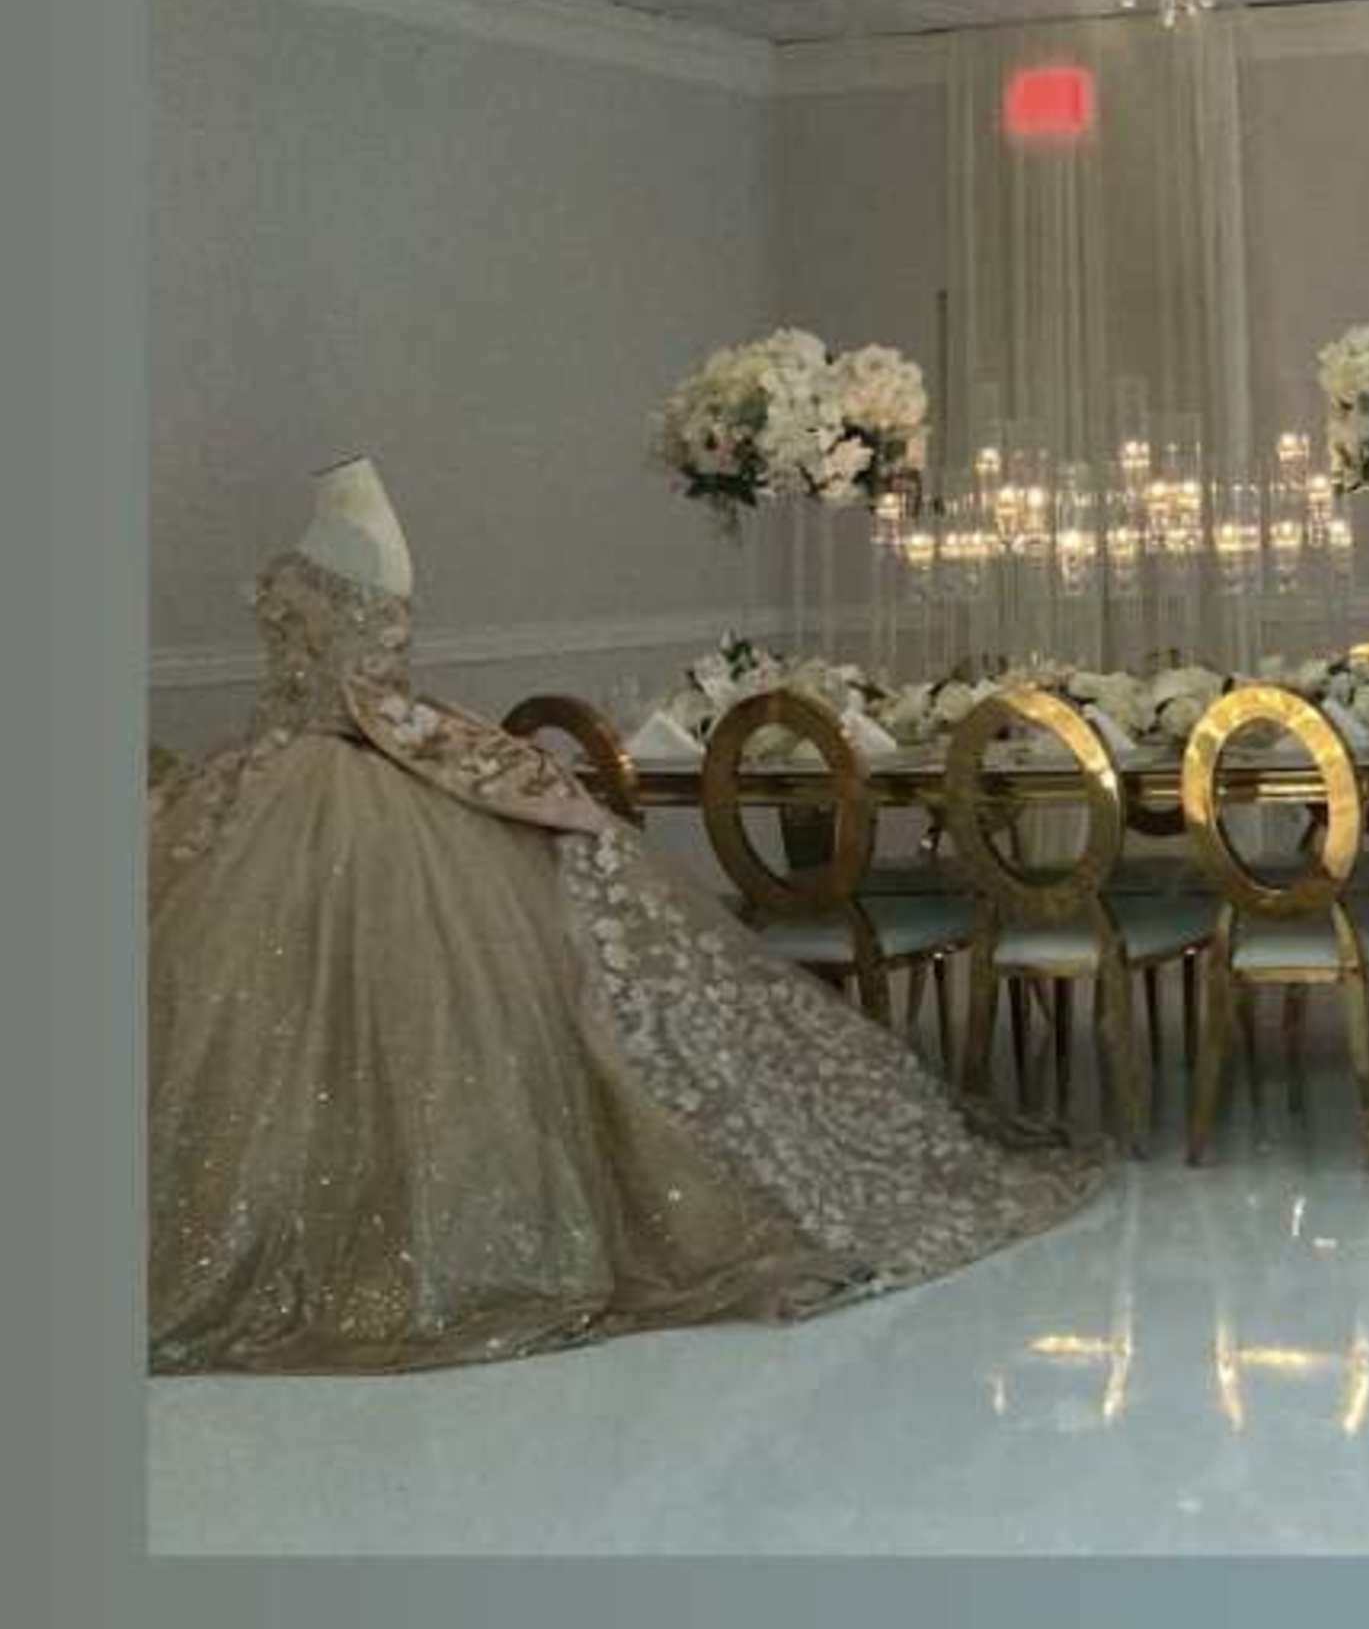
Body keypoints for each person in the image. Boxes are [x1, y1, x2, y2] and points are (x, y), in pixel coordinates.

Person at [148, 458, 1097, 1373]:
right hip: (297, 783)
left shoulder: (370, 532)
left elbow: (368, 684)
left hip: (355, 781)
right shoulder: (339, 523)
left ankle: (404, 1231)